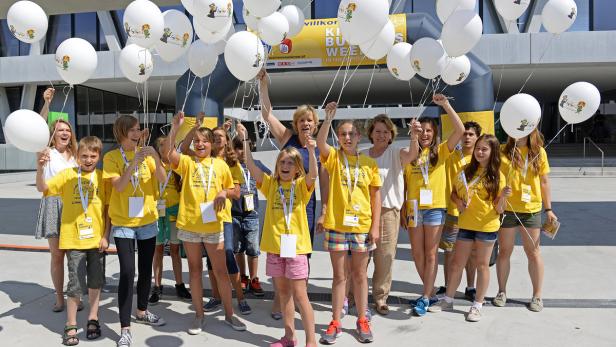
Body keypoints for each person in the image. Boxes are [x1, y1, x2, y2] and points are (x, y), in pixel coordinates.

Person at [166, 112, 247, 334]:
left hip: (213, 226)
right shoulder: (188, 162)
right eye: (197, 141)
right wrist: (178, 127)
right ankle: (199, 316)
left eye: (204, 141)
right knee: (194, 270)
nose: (200, 144)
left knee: (220, 272)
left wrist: (223, 192)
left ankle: (230, 315)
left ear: (212, 144)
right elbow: (168, 152)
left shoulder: (220, 165)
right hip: (190, 224)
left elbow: (235, 191)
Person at [237, 122, 317, 347]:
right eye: (282, 161)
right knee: (283, 294)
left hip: (297, 249)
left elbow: (314, 174)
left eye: (290, 162)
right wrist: (245, 140)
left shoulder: (302, 186)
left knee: (300, 295)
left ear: (297, 168)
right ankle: (289, 337)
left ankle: (311, 341)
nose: (285, 165)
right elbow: (251, 165)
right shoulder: (270, 185)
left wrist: (311, 150)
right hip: (275, 248)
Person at [258, 69, 329, 319]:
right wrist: (264, 85)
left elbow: (323, 180)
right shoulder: (287, 138)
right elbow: (266, 114)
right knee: (280, 252)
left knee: (301, 256)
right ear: (296, 124)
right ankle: (280, 300)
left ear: (315, 123)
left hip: (304, 208)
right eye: (301, 120)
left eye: (310, 120)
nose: (306, 124)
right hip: (280, 207)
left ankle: (300, 298)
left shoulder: (319, 146)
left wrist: (324, 212)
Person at [317, 102, 382, 344]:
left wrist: (375, 227)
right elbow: (322, 143)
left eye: (351, 134)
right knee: (339, 277)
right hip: (337, 226)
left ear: (358, 136)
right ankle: (335, 321)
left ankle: (363, 319)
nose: (346, 137)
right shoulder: (333, 158)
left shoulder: (369, 164)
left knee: (360, 275)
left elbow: (376, 197)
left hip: (362, 227)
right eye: (342, 134)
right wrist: (327, 118)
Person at [36, 136, 109, 346]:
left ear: (98, 156)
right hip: (74, 240)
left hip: (96, 241)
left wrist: (105, 236)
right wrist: (40, 169)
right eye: (84, 156)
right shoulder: (67, 175)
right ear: (77, 157)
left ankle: (93, 318)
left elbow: (107, 211)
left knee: (96, 282)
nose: (88, 160)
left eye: (92, 156)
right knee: (75, 285)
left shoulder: (102, 178)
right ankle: (71, 324)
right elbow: (42, 188)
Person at [430, 134, 511, 322]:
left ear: (493, 152)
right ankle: (448, 299)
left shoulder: (499, 176)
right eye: (478, 148)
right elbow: (453, 194)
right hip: (465, 224)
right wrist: (458, 202)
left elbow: (499, 208)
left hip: (487, 226)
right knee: (457, 263)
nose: (480, 152)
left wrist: (505, 195)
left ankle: (477, 305)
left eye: (484, 149)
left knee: (482, 265)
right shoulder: (465, 170)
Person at [103, 115, 167, 347]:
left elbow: (162, 178)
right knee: (128, 272)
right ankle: (125, 329)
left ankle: (141, 311)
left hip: (148, 221)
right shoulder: (111, 157)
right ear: (121, 132)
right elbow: (119, 186)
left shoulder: (148, 154)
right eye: (131, 129)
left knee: (144, 270)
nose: (136, 132)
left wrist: (155, 157)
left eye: (138, 129)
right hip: (123, 224)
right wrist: (133, 162)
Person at [403, 94, 464, 316]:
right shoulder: (409, 153)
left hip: (435, 208)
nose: (425, 135)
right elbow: (405, 183)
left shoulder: (441, 152)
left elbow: (459, 130)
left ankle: (426, 296)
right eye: (422, 131)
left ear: (435, 133)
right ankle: (428, 291)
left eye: (429, 131)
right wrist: (413, 135)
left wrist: (446, 105)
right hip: (412, 207)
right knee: (417, 253)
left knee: (430, 254)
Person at [360, 114, 420, 315]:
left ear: (391, 135)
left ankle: (380, 297)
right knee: (360, 257)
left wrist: (414, 137)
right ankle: (353, 296)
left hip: (388, 212)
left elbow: (412, 155)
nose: (381, 135)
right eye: (377, 131)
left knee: (384, 257)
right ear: (371, 133)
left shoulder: (396, 153)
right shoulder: (361, 155)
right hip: (363, 213)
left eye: (386, 132)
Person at [494, 129, 558, 312]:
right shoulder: (502, 150)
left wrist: (549, 209)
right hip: (508, 208)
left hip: (531, 210)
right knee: (504, 251)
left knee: (533, 252)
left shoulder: (539, 151)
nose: (519, 132)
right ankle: (502, 291)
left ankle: (537, 295)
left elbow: (544, 181)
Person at [35, 87, 81, 313]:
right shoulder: (46, 152)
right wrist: (46, 103)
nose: (64, 133)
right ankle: (60, 298)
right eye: (60, 130)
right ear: (53, 134)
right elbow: (37, 128)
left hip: (74, 206)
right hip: (53, 204)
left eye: (68, 130)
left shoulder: (77, 156)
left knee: (75, 255)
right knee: (57, 255)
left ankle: (75, 296)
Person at [435, 122, 482, 301]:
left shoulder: (481, 157)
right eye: (465, 134)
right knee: (449, 251)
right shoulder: (452, 155)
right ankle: (448, 286)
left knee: (472, 253)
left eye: (471, 134)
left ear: (477, 137)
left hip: (474, 214)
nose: (467, 137)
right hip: (453, 211)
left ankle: (470, 287)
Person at [149, 136, 191, 304]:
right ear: (157, 149)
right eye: (161, 145)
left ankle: (179, 284)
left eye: (168, 145)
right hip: (157, 212)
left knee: (175, 250)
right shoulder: (153, 165)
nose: (164, 148)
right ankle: (157, 286)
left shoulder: (177, 165)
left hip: (174, 211)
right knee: (157, 250)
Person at [231, 136, 271, 297]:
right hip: (234, 213)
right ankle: (244, 276)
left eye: (243, 147)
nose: (240, 151)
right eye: (237, 148)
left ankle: (254, 278)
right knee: (238, 248)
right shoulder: (231, 166)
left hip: (252, 215)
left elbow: (272, 178)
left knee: (253, 248)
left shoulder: (256, 165)